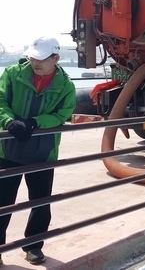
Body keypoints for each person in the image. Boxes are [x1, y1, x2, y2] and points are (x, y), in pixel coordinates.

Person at [0, 37, 76, 265]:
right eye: (33, 57)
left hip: (43, 152)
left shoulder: (66, 86)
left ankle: (33, 246)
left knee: (40, 203)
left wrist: (35, 122)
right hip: (7, 151)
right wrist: (7, 121)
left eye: (41, 58)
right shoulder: (13, 74)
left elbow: (63, 114)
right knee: (2, 203)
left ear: (56, 58)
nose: (35, 62)